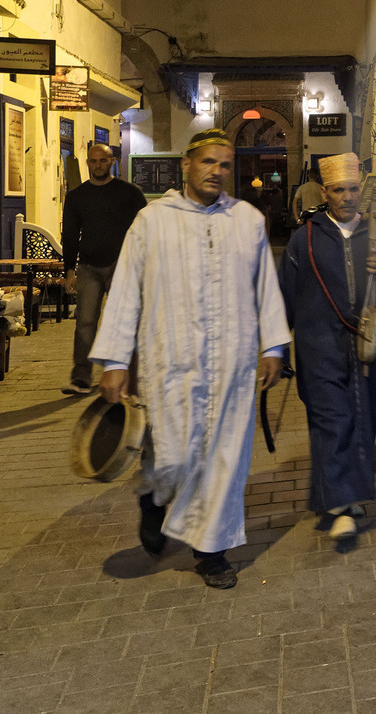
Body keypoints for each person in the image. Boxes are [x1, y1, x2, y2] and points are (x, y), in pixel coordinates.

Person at [92, 129, 290, 590]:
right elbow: (124, 292)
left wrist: (273, 347)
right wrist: (116, 361)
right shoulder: (152, 220)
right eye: (208, 162)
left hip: (233, 364)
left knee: (224, 459)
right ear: (186, 164)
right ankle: (154, 496)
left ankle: (212, 550)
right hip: (170, 360)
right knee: (172, 454)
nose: (217, 172)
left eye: (225, 164)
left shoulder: (247, 221)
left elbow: (266, 289)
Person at [279, 152, 376, 545]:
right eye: (339, 190)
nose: (347, 197)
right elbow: (284, 295)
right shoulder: (303, 239)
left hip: (366, 351)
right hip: (318, 349)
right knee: (332, 422)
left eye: (353, 189)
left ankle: (345, 499)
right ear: (326, 192)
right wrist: (278, 349)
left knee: (361, 421)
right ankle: (341, 506)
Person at [60, 143, 146, 395]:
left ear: (112, 162)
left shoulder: (129, 193)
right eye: (93, 161)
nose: (98, 165)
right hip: (89, 266)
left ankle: (129, 375)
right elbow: (71, 235)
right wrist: (69, 271)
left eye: (103, 161)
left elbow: (144, 228)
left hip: (123, 266)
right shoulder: (76, 197)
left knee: (125, 320)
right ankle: (81, 377)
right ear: (87, 163)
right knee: (85, 322)